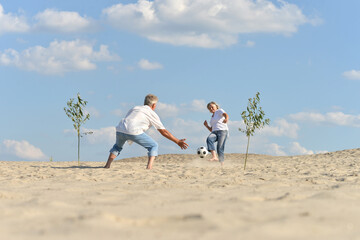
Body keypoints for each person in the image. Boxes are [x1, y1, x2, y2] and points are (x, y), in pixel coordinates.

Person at [104, 94, 188, 169]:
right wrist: (177, 141)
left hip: (120, 129)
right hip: (133, 131)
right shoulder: (151, 113)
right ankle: (149, 167)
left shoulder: (135, 108)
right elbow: (163, 132)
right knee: (153, 145)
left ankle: (107, 165)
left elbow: (128, 120)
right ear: (154, 105)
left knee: (117, 147)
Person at [203, 101, 229, 165]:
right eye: (209, 108)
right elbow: (212, 129)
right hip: (214, 132)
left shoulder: (219, 111)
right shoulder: (212, 118)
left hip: (222, 131)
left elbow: (225, 114)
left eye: (212, 107)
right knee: (209, 139)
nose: (211, 109)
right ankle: (214, 157)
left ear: (216, 106)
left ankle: (222, 163)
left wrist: (226, 119)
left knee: (219, 147)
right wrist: (206, 126)